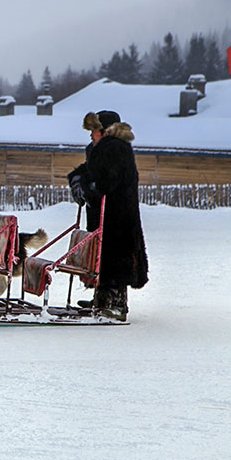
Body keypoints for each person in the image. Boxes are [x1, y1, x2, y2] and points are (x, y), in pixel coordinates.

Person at [67, 110, 148, 321]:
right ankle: (101, 299)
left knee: (116, 256)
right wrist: (78, 179)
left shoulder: (115, 149)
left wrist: (86, 187)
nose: (91, 135)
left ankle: (118, 304)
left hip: (118, 214)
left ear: (105, 131)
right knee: (101, 255)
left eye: (94, 130)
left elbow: (106, 182)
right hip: (104, 212)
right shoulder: (101, 148)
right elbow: (90, 172)